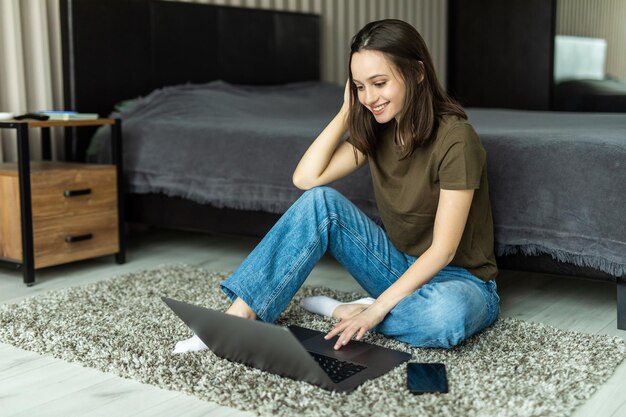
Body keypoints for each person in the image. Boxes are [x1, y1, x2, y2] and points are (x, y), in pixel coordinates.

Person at [174, 19, 500, 354]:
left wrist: (374, 312)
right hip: (397, 266)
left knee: (445, 318)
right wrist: (347, 110)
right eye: (360, 87)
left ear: (417, 73)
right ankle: (236, 319)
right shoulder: (378, 130)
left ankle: (346, 309)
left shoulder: (456, 139)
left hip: (461, 282)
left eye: (379, 83)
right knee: (321, 202)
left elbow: (443, 251)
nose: (370, 97)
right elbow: (306, 179)